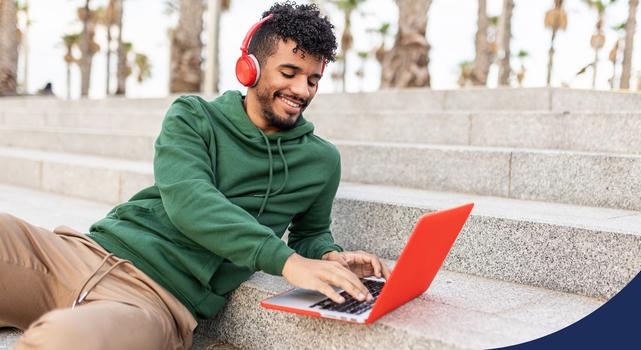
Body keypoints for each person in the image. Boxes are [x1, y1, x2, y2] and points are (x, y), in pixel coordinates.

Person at [0, 2, 391, 349]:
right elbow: (190, 201)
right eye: (289, 72)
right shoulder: (192, 116)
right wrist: (286, 261)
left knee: (65, 339)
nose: (301, 90)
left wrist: (327, 255)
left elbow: (309, 234)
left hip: (154, 302)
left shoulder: (321, 161)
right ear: (249, 67)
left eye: (312, 79)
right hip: (82, 256)